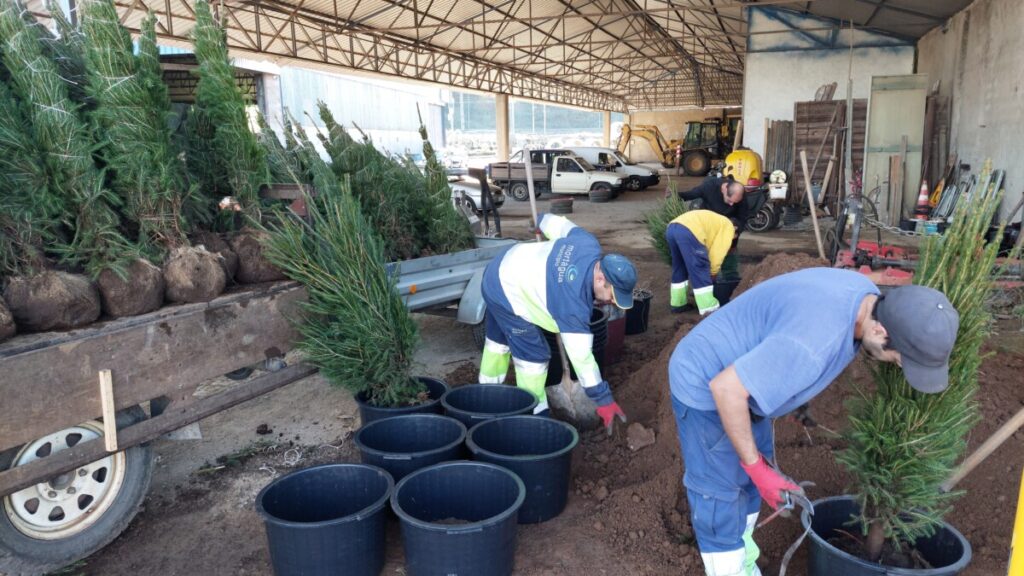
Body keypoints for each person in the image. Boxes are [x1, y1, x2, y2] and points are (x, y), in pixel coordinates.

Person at [668, 268, 959, 576]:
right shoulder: (811, 342)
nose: (896, 368)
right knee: (722, 495)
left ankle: (744, 556)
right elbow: (726, 389)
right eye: (899, 361)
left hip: (743, 379)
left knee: (751, 482)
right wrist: (754, 468)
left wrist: (792, 395)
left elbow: (789, 328)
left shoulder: (864, 295)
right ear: (881, 333)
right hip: (706, 383)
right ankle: (727, 568)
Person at [478, 213, 636, 430]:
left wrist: (539, 220)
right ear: (601, 279)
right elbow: (582, 359)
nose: (611, 301)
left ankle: (485, 395)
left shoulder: (588, 243)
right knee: (534, 356)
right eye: (612, 295)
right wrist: (603, 399)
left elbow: (558, 224)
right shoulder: (573, 306)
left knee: (498, 342)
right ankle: (534, 413)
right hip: (507, 290)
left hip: (504, 264)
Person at [666, 210, 734, 315]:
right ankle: (709, 309)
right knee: (700, 267)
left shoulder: (717, 221)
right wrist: (713, 272)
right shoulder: (729, 227)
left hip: (672, 228)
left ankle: (678, 304)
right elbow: (717, 253)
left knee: (680, 267)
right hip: (688, 231)